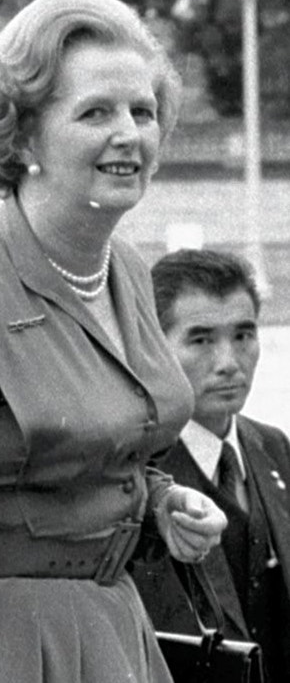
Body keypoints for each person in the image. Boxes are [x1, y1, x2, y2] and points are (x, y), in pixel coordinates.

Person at [0, 0, 227, 683]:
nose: (129, 133)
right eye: (95, 112)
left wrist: (160, 504)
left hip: (117, 637)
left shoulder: (125, 271)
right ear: (25, 134)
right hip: (5, 654)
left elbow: (90, 462)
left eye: (144, 111)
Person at [132, 249, 290, 681]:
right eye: (201, 340)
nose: (228, 363)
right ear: (152, 346)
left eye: (243, 335)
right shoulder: (132, 466)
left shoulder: (273, 449)